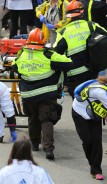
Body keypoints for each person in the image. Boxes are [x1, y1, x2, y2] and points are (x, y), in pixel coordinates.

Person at [12, 28, 73, 160]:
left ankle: (34, 144)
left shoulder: (22, 54)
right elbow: (68, 63)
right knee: (46, 120)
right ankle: (49, 150)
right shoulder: (49, 55)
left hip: (28, 95)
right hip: (46, 95)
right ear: (43, 42)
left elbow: (14, 66)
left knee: (33, 118)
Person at [54, 0, 107, 98]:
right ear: (82, 12)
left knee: (78, 105)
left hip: (74, 76)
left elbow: (56, 53)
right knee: (93, 102)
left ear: (68, 15)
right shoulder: (92, 26)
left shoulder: (63, 32)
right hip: (92, 72)